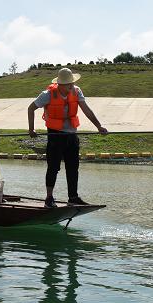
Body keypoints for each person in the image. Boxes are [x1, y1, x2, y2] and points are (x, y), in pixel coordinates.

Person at [27, 68, 107, 208]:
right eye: (67, 84)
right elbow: (30, 108)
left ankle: (73, 197)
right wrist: (31, 129)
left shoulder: (77, 91)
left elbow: (86, 109)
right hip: (55, 134)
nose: (70, 86)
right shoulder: (48, 94)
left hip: (71, 135)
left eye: (71, 83)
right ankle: (49, 198)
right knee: (53, 167)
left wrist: (99, 127)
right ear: (59, 84)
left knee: (73, 167)